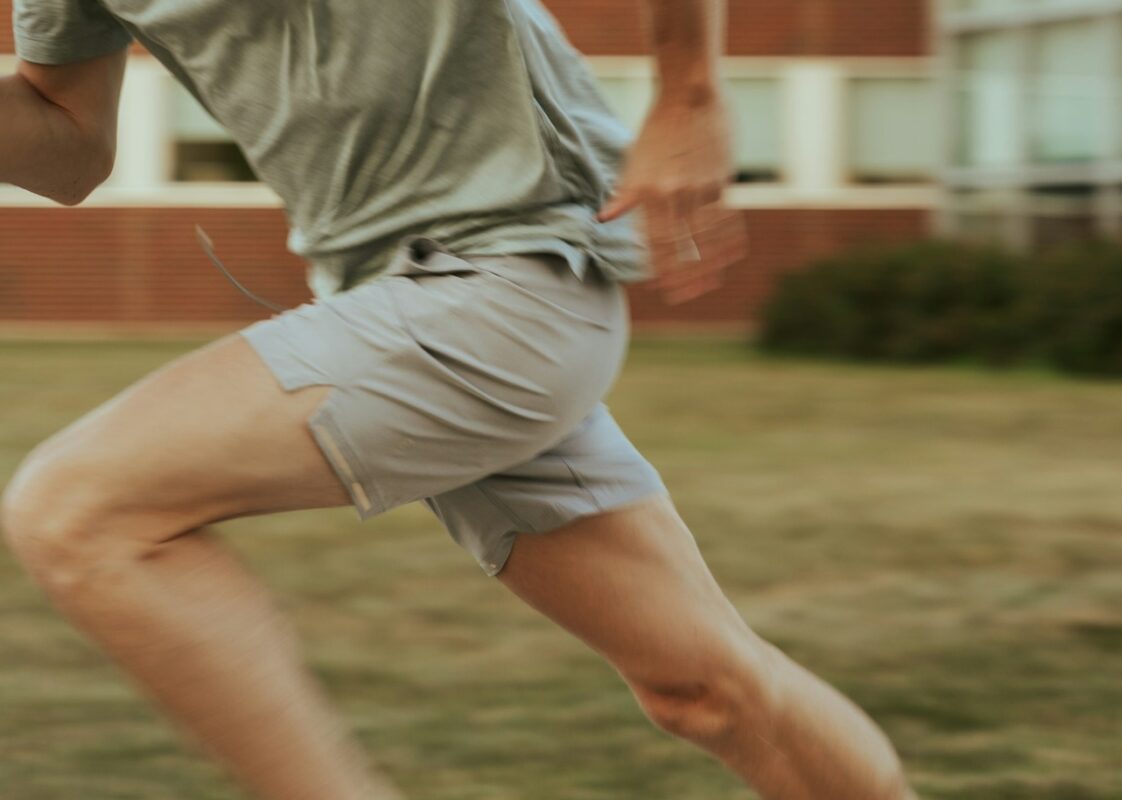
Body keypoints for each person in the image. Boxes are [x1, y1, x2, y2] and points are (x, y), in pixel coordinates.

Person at [0, 1, 918, 798]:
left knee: (77, 512)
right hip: (385, 298)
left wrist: (690, 91)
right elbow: (68, 142)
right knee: (706, 692)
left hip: (515, 270)